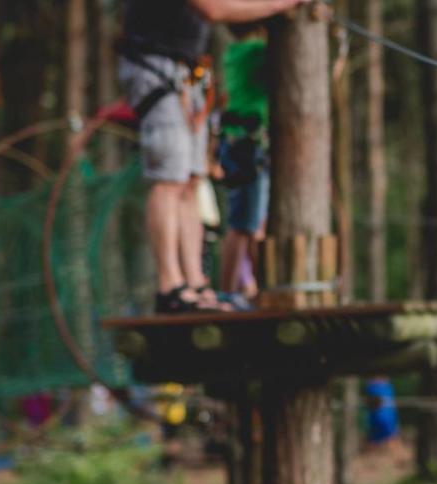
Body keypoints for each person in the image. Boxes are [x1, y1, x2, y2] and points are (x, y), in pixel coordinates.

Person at [118, 0, 302, 314]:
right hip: (157, 65)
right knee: (169, 180)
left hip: (183, 70)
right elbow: (214, 8)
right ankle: (169, 285)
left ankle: (194, 284)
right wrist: (280, 4)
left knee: (191, 181)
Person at [213, 25, 271, 302]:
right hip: (248, 145)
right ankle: (228, 293)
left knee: (251, 224)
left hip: (240, 143)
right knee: (244, 225)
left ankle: (250, 289)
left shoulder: (235, 51)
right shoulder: (256, 52)